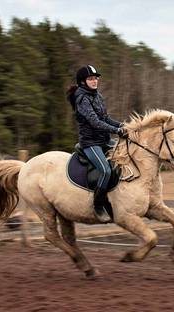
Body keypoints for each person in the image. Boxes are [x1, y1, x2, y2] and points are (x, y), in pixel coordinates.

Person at [67, 65, 128, 222]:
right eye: (90, 79)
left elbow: (105, 118)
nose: (94, 81)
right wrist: (116, 130)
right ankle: (98, 205)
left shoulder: (97, 96)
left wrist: (123, 126)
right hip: (90, 143)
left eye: (96, 78)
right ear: (82, 82)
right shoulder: (82, 99)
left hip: (104, 140)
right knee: (106, 171)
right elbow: (95, 122)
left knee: (126, 155)